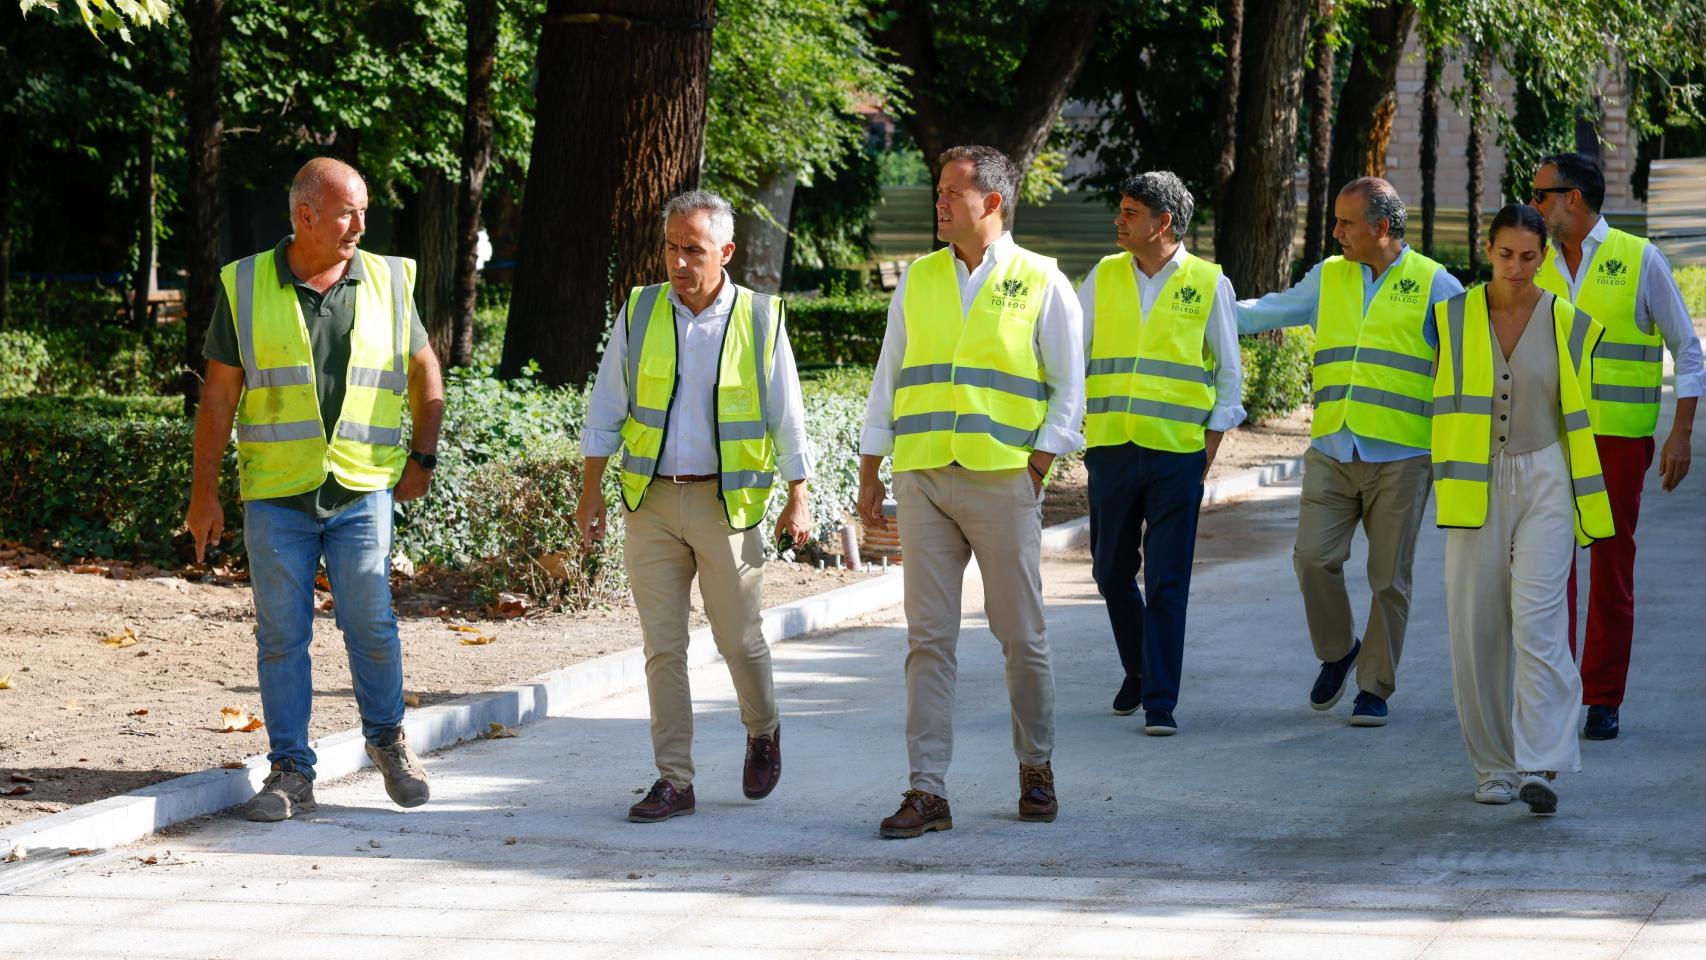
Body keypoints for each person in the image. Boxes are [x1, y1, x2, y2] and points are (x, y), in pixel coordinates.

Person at [187, 158, 440, 822]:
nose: (361, 223)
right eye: (347, 212)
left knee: (372, 625)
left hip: (361, 490)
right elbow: (217, 399)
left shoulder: (387, 277)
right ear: (304, 217)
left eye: (363, 211)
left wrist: (424, 455)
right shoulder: (244, 285)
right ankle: (292, 771)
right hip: (277, 495)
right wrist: (203, 495)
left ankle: (388, 743)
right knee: (280, 637)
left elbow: (425, 373)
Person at [856, 145, 1084, 838]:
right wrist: (871, 469)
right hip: (924, 478)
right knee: (927, 641)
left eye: (952, 192)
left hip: (1001, 480)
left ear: (992, 202)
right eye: (937, 192)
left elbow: (1068, 390)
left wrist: (1035, 468)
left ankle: (1035, 768)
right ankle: (927, 791)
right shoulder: (919, 279)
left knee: (1022, 637)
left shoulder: (1042, 280)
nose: (940, 203)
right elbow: (887, 378)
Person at [577, 189, 813, 823]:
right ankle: (673, 779)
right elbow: (607, 408)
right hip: (651, 501)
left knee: (739, 640)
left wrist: (799, 496)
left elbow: (785, 414)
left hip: (724, 503)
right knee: (663, 647)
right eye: (671, 247)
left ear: (726, 252)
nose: (679, 261)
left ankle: (762, 731)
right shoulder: (640, 310)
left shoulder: (760, 319)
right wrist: (591, 491)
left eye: (694, 249)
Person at [1238, 178, 1464, 727]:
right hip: (1334, 447)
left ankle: (1375, 685)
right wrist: (1195, 301)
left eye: (1345, 223)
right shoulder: (1329, 277)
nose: (1335, 232)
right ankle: (1340, 651)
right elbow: (1263, 312)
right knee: (1312, 559)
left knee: (1389, 579)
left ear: (1381, 228)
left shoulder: (1436, 284)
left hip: (1404, 455)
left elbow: (1467, 370)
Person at [1434, 203, 1614, 815]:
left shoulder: (1569, 321)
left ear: (1544, 258)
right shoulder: (1449, 318)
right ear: (1488, 251)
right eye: (1506, 254)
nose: (1516, 267)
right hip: (1471, 482)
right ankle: (1493, 768)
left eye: (1529, 257)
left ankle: (1542, 763)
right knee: (1476, 630)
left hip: (1545, 479)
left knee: (1539, 627)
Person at [1529, 152, 1703, 740]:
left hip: (1618, 443)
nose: (1533, 205)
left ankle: (1603, 697)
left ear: (1572, 198)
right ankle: (1555, 692)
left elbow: (1689, 350)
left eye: (1540, 195)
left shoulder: (1638, 259)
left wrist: (1681, 434)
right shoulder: (1535, 263)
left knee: (1609, 570)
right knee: (1550, 568)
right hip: (1548, 438)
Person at [1077, 171, 1244, 735]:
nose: (1118, 221)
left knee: (1168, 581)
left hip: (1178, 455)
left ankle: (1161, 702)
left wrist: (1211, 442)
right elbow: (1072, 356)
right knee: (1109, 572)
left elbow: (1228, 373)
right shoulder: (1102, 277)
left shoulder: (1208, 281)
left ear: (1162, 222)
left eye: (1129, 212)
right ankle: (1139, 668)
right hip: (1111, 450)